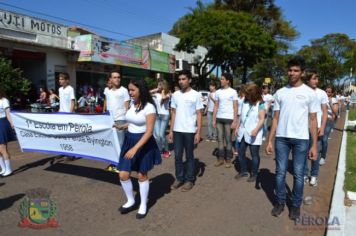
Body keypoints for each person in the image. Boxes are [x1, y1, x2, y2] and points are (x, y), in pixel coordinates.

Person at [266, 56, 319, 220]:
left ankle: (295, 205)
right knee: (280, 172)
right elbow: (275, 118)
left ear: (302, 73)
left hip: (301, 139)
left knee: (298, 173)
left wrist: (314, 145)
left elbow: (313, 120)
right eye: (290, 70)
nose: (292, 73)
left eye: (296, 70)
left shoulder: (310, 93)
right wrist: (269, 140)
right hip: (281, 138)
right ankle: (280, 202)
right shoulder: (280, 93)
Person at [116, 78, 161, 219]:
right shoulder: (133, 104)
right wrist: (123, 126)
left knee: (142, 175)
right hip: (130, 140)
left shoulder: (150, 107)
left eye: (132, 90)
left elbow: (148, 131)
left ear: (140, 90)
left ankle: (143, 204)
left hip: (143, 143)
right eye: (129, 90)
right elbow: (133, 122)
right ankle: (130, 201)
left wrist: (135, 149)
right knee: (123, 174)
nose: (130, 92)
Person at [168, 70, 203, 192]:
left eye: (184, 79)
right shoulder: (175, 95)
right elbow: (173, 113)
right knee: (177, 156)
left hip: (190, 131)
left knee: (189, 156)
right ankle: (179, 178)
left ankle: (189, 180)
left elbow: (199, 114)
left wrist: (198, 132)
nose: (181, 81)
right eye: (179, 79)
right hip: (177, 130)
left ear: (189, 80)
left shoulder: (196, 95)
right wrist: (171, 131)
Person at [235, 83, 265, 182]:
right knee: (240, 153)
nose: (246, 95)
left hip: (254, 133)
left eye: (248, 93)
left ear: (253, 93)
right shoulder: (245, 101)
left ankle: (254, 173)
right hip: (243, 131)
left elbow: (262, 119)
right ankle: (243, 171)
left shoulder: (260, 104)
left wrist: (256, 130)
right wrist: (237, 127)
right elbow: (241, 116)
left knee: (254, 155)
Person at [303, 70, 328, 187]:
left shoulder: (322, 93)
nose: (316, 81)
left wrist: (322, 127)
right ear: (308, 80)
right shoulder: (302, 91)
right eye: (314, 78)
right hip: (303, 128)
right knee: (303, 153)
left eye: (317, 79)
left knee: (315, 153)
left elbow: (324, 112)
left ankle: (314, 176)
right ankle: (304, 174)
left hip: (316, 127)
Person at [105, 70, 130, 172]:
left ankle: (121, 165)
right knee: (112, 143)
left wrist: (127, 121)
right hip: (110, 119)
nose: (117, 79)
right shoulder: (107, 90)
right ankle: (115, 162)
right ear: (110, 79)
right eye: (114, 77)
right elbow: (106, 102)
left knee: (120, 143)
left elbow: (127, 106)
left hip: (121, 119)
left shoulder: (124, 90)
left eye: (118, 77)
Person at [212, 73, 238, 168]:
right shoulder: (218, 92)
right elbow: (216, 106)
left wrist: (235, 121)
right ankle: (220, 159)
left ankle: (228, 159)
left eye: (223, 79)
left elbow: (235, 107)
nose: (221, 80)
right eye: (221, 79)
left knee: (228, 140)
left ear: (228, 81)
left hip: (229, 119)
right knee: (219, 140)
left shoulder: (233, 92)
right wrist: (213, 119)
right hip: (219, 118)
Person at [151, 80, 171, 158]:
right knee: (156, 135)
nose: (159, 86)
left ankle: (166, 150)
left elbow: (163, 98)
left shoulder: (168, 94)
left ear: (164, 86)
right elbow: (146, 93)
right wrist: (156, 89)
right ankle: (159, 149)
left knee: (162, 135)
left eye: (160, 85)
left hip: (165, 116)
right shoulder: (155, 94)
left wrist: (163, 90)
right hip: (157, 116)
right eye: (158, 85)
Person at [319, 86, 339, 166]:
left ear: (332, 93)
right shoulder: (321, 98)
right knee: (318, 138)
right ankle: (317, 152)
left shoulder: (334, 100)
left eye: (329, 92)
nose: (327, 93)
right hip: (319, 120)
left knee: (324, 139)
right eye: (326, 91)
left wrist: (330, 102)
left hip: (328, 121)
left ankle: (323, 157)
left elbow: (335, 111)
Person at [0, 89, 15, 176]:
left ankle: (9, 170)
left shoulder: (4, 100)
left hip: (2, 123)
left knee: (3, 148)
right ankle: (3, 169)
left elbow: (8, 114)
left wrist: (12, 124)